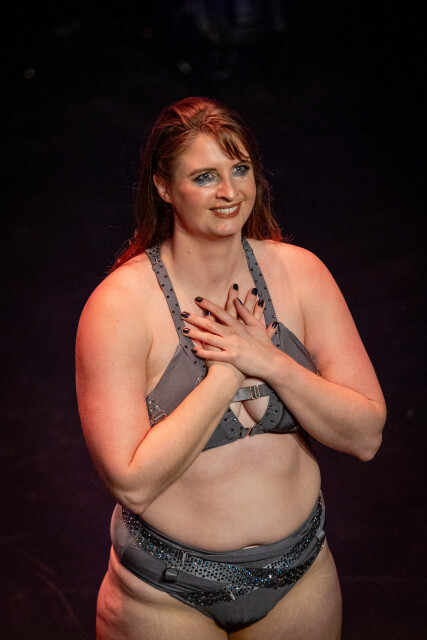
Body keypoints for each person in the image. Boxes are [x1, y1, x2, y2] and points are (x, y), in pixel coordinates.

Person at [76, 96, 386, 639]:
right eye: (204, 177)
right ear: (164, 187)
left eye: (239, 169)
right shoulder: (120, 307)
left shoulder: (301, 275)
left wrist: (268, 361)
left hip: (300, 579)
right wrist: (225, 377)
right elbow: (133, 484)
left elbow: (366, 435)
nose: (229, 192)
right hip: (164, 596)